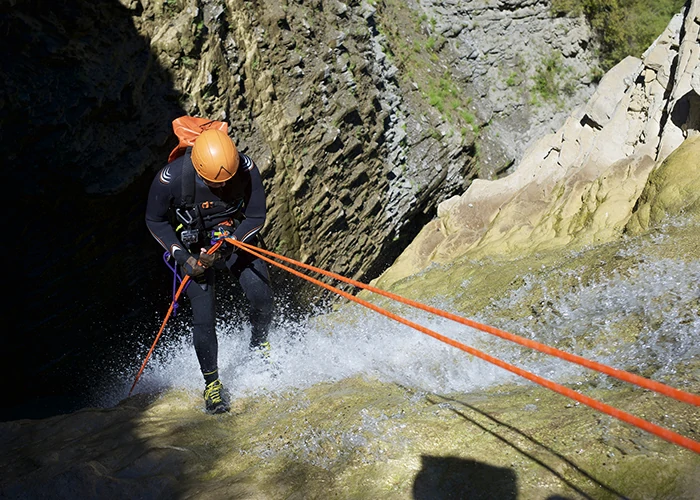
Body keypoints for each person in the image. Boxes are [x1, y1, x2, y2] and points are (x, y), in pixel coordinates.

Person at [145, 127, 274, 414]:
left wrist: (233, 242)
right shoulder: (171, 179)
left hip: (232, 238)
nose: (220, 188)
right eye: (214, 184)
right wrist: (181, 256)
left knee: (261, 296)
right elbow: (155, 220)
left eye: (225, 183)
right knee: (204, 316)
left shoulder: (245, 168)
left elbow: (255, 215)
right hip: (192, 250)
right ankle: (212, 384)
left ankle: (260, 346)